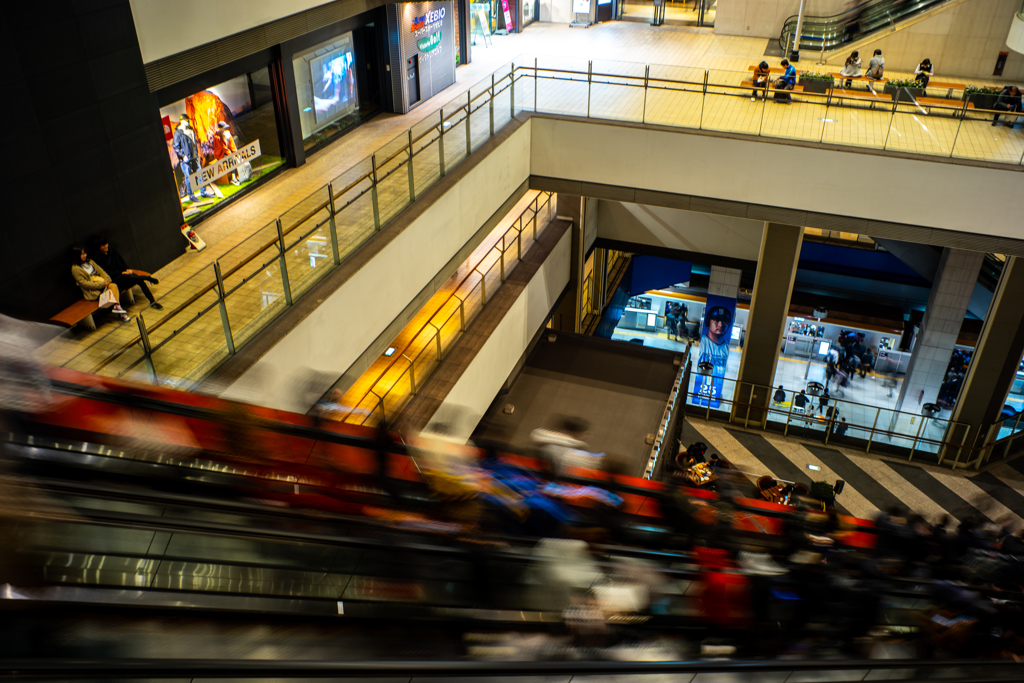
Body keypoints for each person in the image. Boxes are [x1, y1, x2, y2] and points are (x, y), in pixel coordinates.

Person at [90, 238, 163, 311]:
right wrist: (121, 273)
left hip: (125, 275)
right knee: (135, 278)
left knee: (139, 280)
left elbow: (122, 262)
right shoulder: (97, 258)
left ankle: (153, 302)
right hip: (115, 279)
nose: (106, 246)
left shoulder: (113, 251)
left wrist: (127, 269)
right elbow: (107, 273)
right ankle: (148, 278)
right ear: (98, 247)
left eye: (106, 244)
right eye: (103, 245)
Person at [70, 247, 131, 322]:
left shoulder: (90, 261)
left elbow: (101, 271)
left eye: (85, 253)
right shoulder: (75, 269)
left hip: (102, 284)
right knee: (111, 293)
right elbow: (85, 284)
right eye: (82, 254)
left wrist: (107, 279)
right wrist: (102, 284)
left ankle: (117, 306)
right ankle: (121, 313)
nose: (85, 255)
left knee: (113, 285)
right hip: (93, 292)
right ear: (77, 255)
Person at [171, 113, 214, 203]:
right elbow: (175, 146)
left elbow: (193, 143)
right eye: (187, 120)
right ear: (182, 121)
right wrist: (183, 156)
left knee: (200, 174)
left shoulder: (191, 129)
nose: (188, 122)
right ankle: (191, 195)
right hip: (186, 160)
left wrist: (196, 154)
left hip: (194, 157)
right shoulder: (178, 133)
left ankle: (203, 192)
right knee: (189, 178)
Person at [212, 121, 240, 185]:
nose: (225, 129)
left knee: (234, 158)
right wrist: (231, 154)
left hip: (227, 152)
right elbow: (223, 147)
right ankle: (233, 178)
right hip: (220, 154)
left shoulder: (228, 134)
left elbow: (232, 144)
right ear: (220, 128)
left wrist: (235, 152)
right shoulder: (217, 137)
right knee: (231, 160)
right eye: (224, 128)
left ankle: (234, 177)